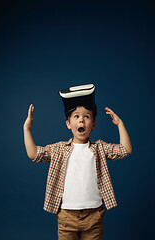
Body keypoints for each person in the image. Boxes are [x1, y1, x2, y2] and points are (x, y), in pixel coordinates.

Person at [23, 84, 132, 240]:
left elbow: (125, 150)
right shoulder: (59, 149)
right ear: (68, 124)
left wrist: (120, 125)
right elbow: (34, 154)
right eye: (76, 116)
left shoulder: (99, 148)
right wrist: (27, 129)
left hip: (94, 215)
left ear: (93, 125)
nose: (81, 119)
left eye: (87, 116)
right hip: (67, 216)